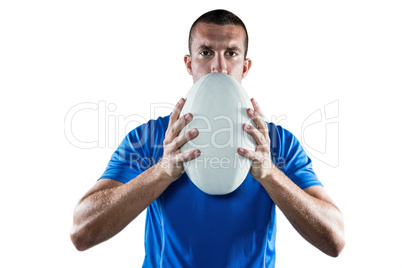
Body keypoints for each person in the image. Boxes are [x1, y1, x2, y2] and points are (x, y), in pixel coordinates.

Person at [70, 9, 345, 267]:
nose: (218, 66)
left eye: (231, 53)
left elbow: (335, 240)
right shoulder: (150, 139)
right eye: (205, 52)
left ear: (245, 66)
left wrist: (271, 174)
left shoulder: (276, 143)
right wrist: (160, 173)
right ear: (189, 64)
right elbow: (81, 232)